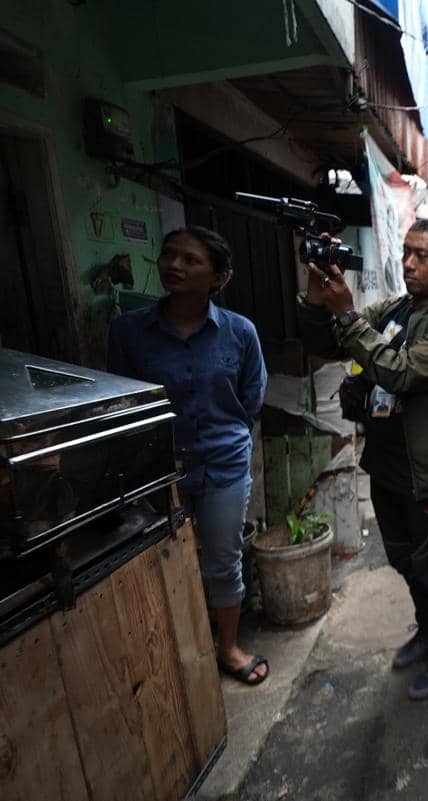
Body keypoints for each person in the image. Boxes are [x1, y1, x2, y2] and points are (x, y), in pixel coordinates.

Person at [298, 219, 428, 700]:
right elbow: (328, 343)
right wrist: (319, 299)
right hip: (387, 462)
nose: (409, 263)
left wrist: (350, 316)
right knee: (403, 556)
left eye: (423, 256)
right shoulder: (396, 309)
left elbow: (401, 372)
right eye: (406, 253)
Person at [107, 226, 268, 685]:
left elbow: (251, 398)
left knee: (222, 559)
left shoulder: (240, 332)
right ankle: (175, 650)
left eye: (190, 260)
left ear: (218, 276)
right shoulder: (128, 331)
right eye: (169, 255)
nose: (174, 265)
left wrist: (226, 433)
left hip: (223, 464)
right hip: (158, 471)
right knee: (159, 561)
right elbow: (124, 401)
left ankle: (228, 648)